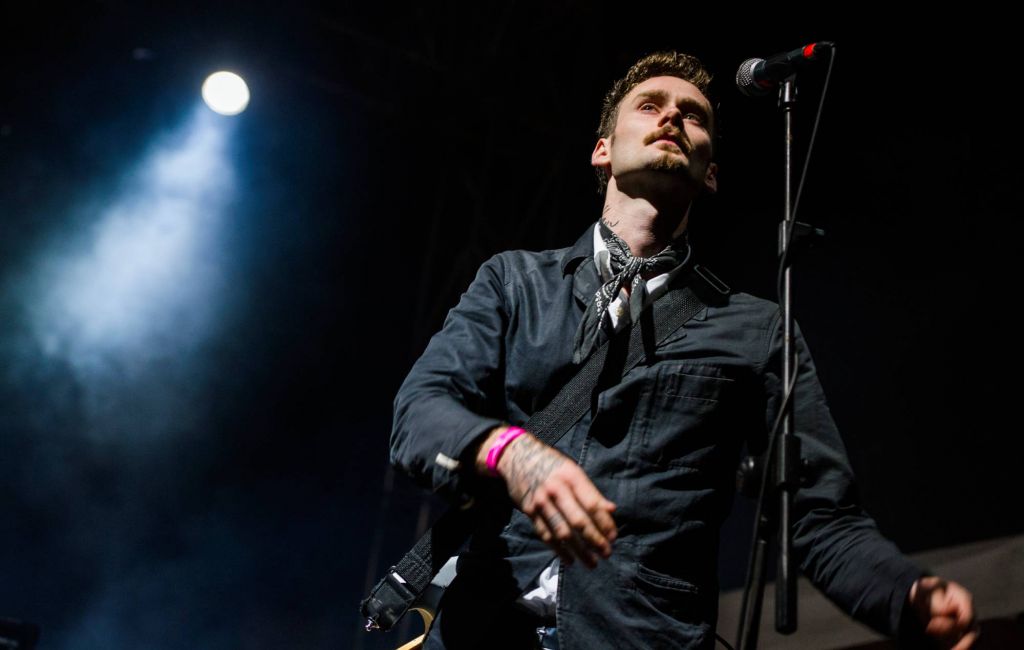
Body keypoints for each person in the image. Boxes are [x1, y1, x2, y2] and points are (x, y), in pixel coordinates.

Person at [390, 51, 977, 650]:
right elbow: (418, 412)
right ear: (603, 150)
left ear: (712, 172)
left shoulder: (757, 330)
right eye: (649, 106)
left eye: (692, 116)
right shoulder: (513, 282)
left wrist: (905, 594)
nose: (672, 118)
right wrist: (511, 455)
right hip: (478, 631)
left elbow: (817, 514)